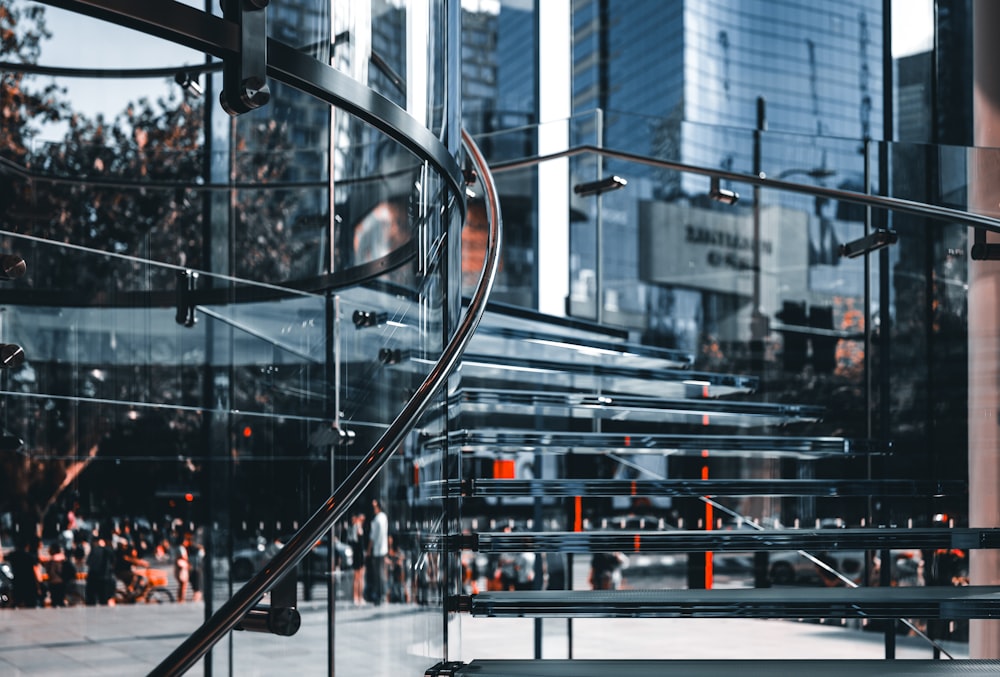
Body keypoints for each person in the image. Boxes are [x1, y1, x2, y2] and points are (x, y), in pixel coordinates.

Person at [367, 499, 388, 605]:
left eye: (374, 507)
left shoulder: (376, 520)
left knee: (378, 573)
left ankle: (379, 595)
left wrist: (368, 550)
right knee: (381, 573)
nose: (373, 509)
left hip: (377, 550)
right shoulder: (384, 517)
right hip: (383, 549)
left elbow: (372, 537)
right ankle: (382, 594)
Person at [85, 533, 114, 606]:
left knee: (91, 600)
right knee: (103, 600)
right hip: (105, 577)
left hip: (93, 577)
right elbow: (113, 562)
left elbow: (89, 562)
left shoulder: (94, 550)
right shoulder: (109, 550)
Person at [346, 512, 367, 605]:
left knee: (359, 577)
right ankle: (357, 597)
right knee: (358, 577)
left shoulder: (356, 528)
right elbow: (358, 543)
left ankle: (358, 597)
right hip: (358, 555)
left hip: (358, 554)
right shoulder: (357, 528)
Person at [175, 534, 191, 603]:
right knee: (183, 584)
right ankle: (181, 599)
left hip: (180, 567)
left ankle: (180, 598)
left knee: (182, 584)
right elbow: (183, 557)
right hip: (182, 568)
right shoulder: (181, 548)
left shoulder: (179, 547)